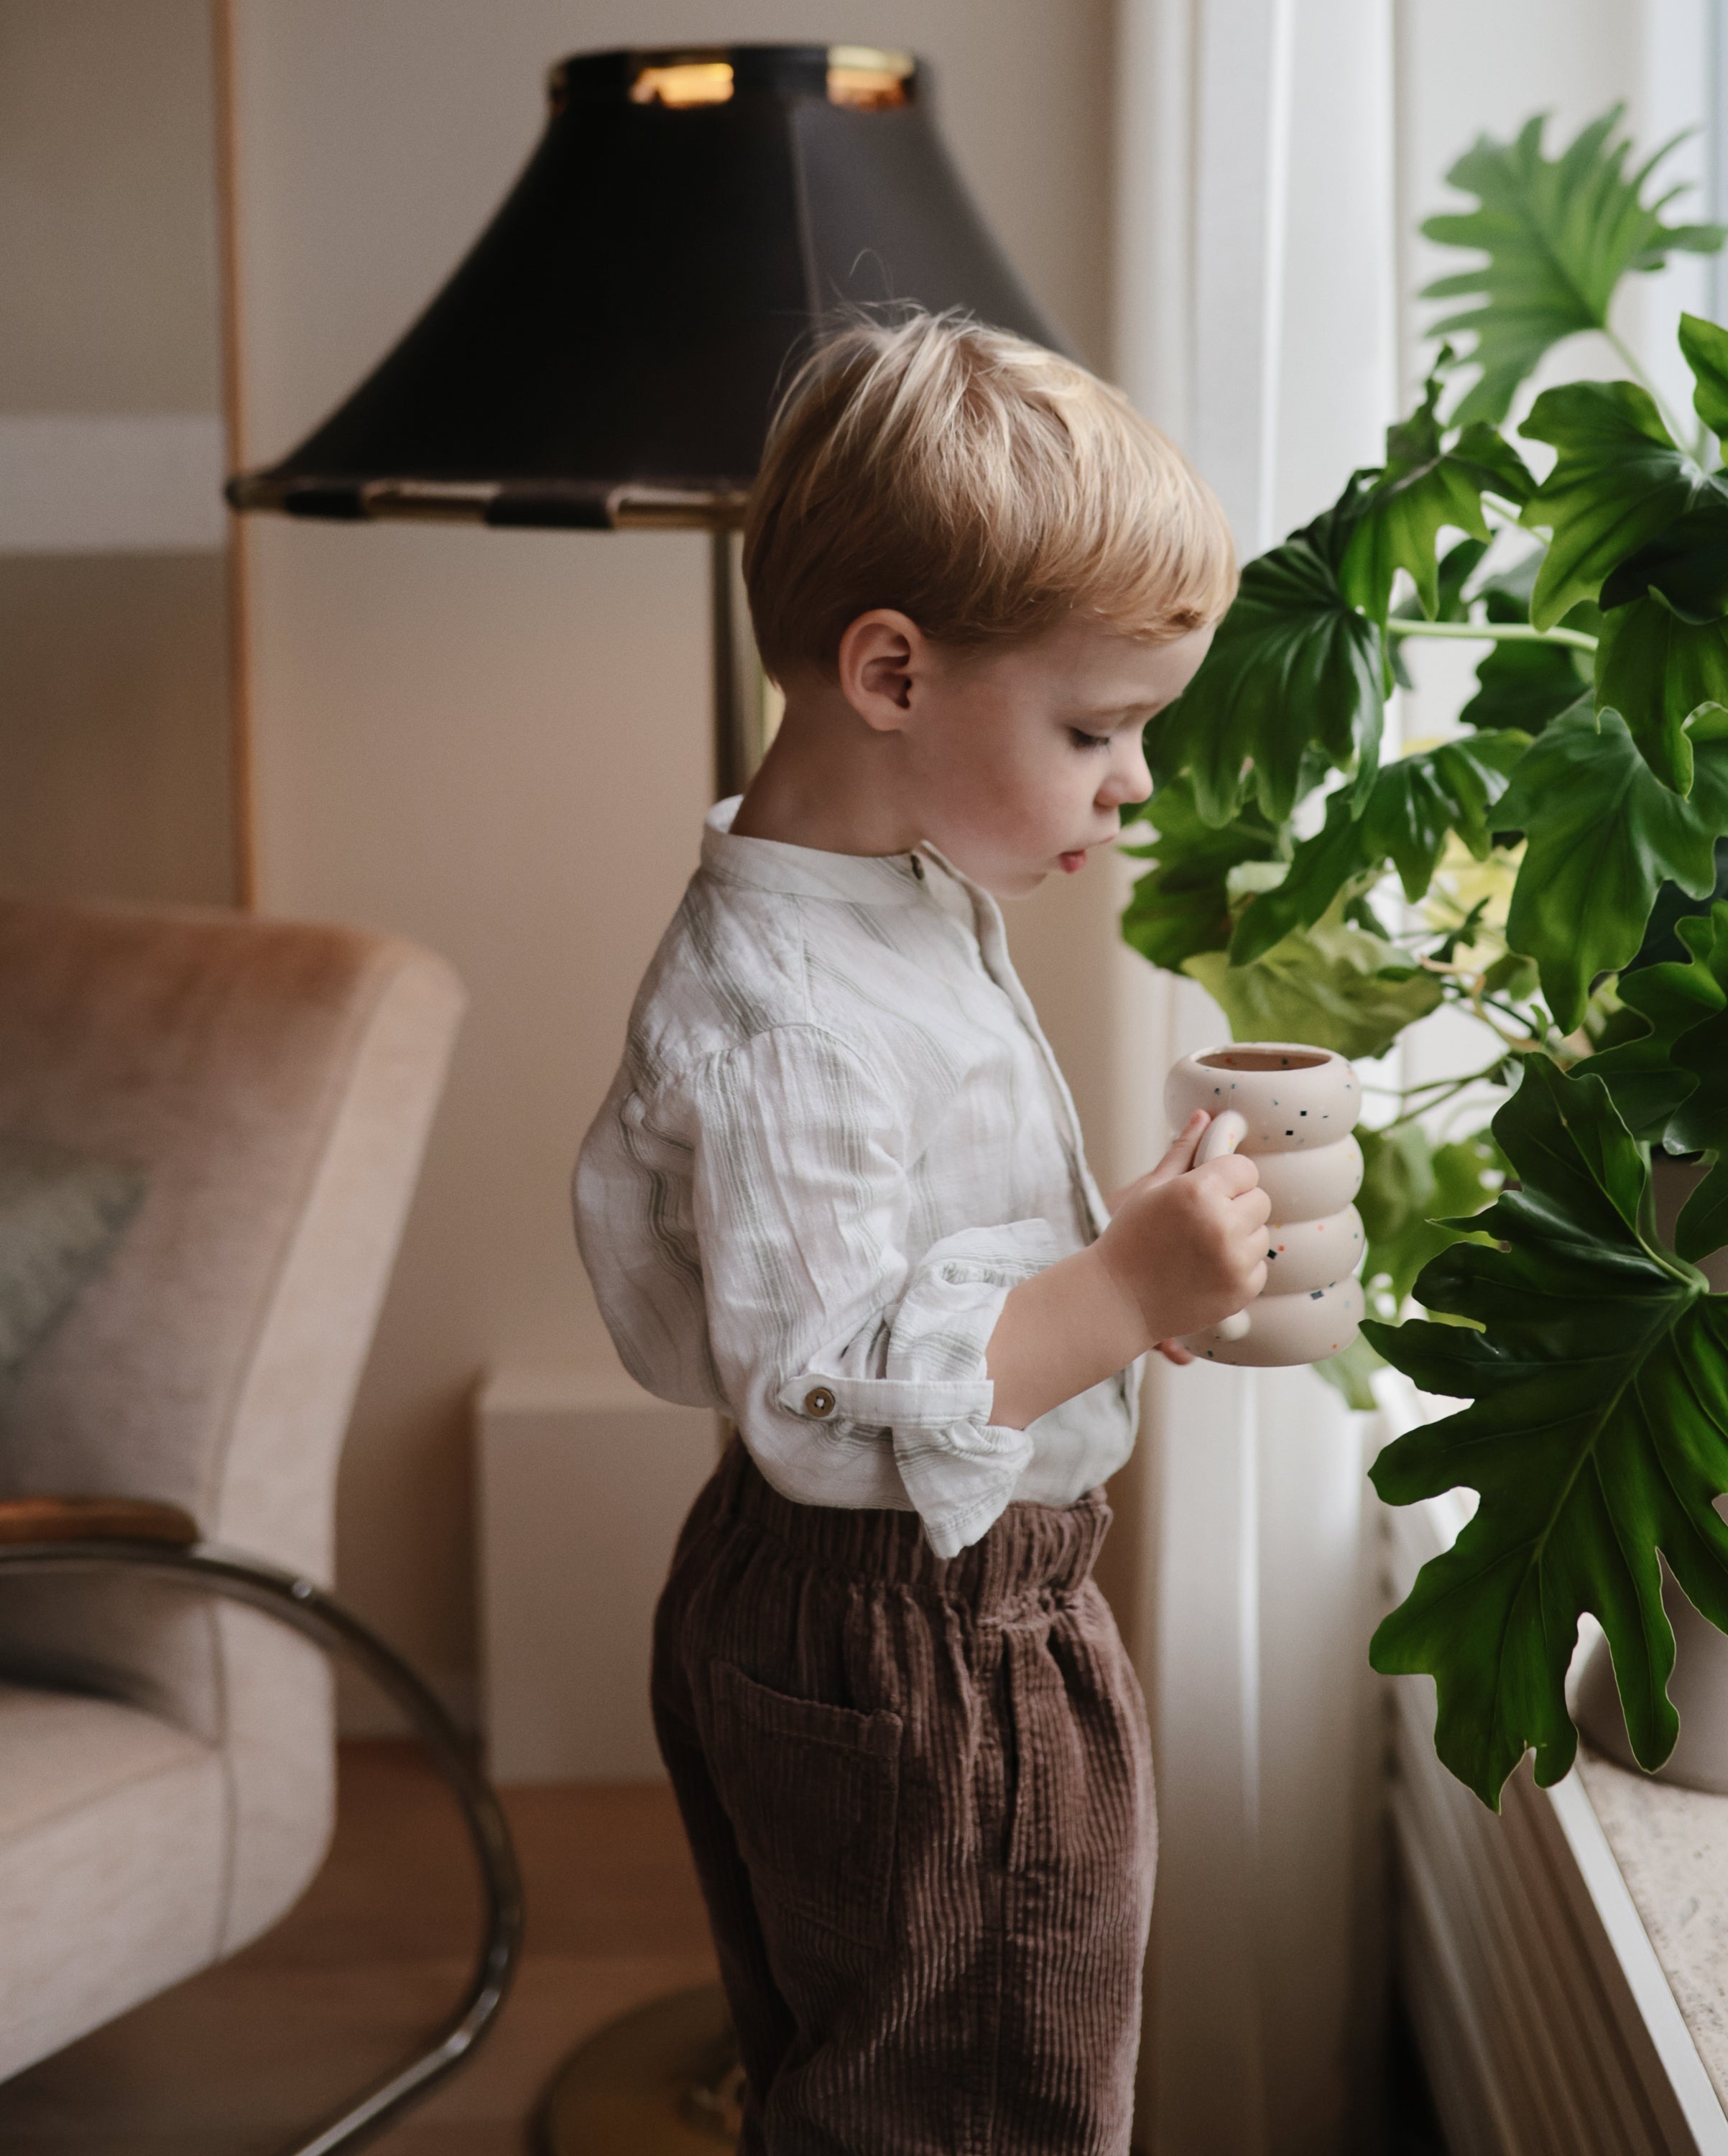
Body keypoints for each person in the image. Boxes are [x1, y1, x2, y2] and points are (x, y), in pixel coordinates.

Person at [573, 310, 1265, 2154]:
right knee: (965, 2111)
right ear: (890, 671)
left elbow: (887, 1268)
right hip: (924, 1641)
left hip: (855, 1610)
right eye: (1095, 728)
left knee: (865, 2074)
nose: (1134, 781)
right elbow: (823, 1402)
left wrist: (1108, 1270)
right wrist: (1112, 1293)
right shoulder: (790, 1016)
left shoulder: (880, 904)